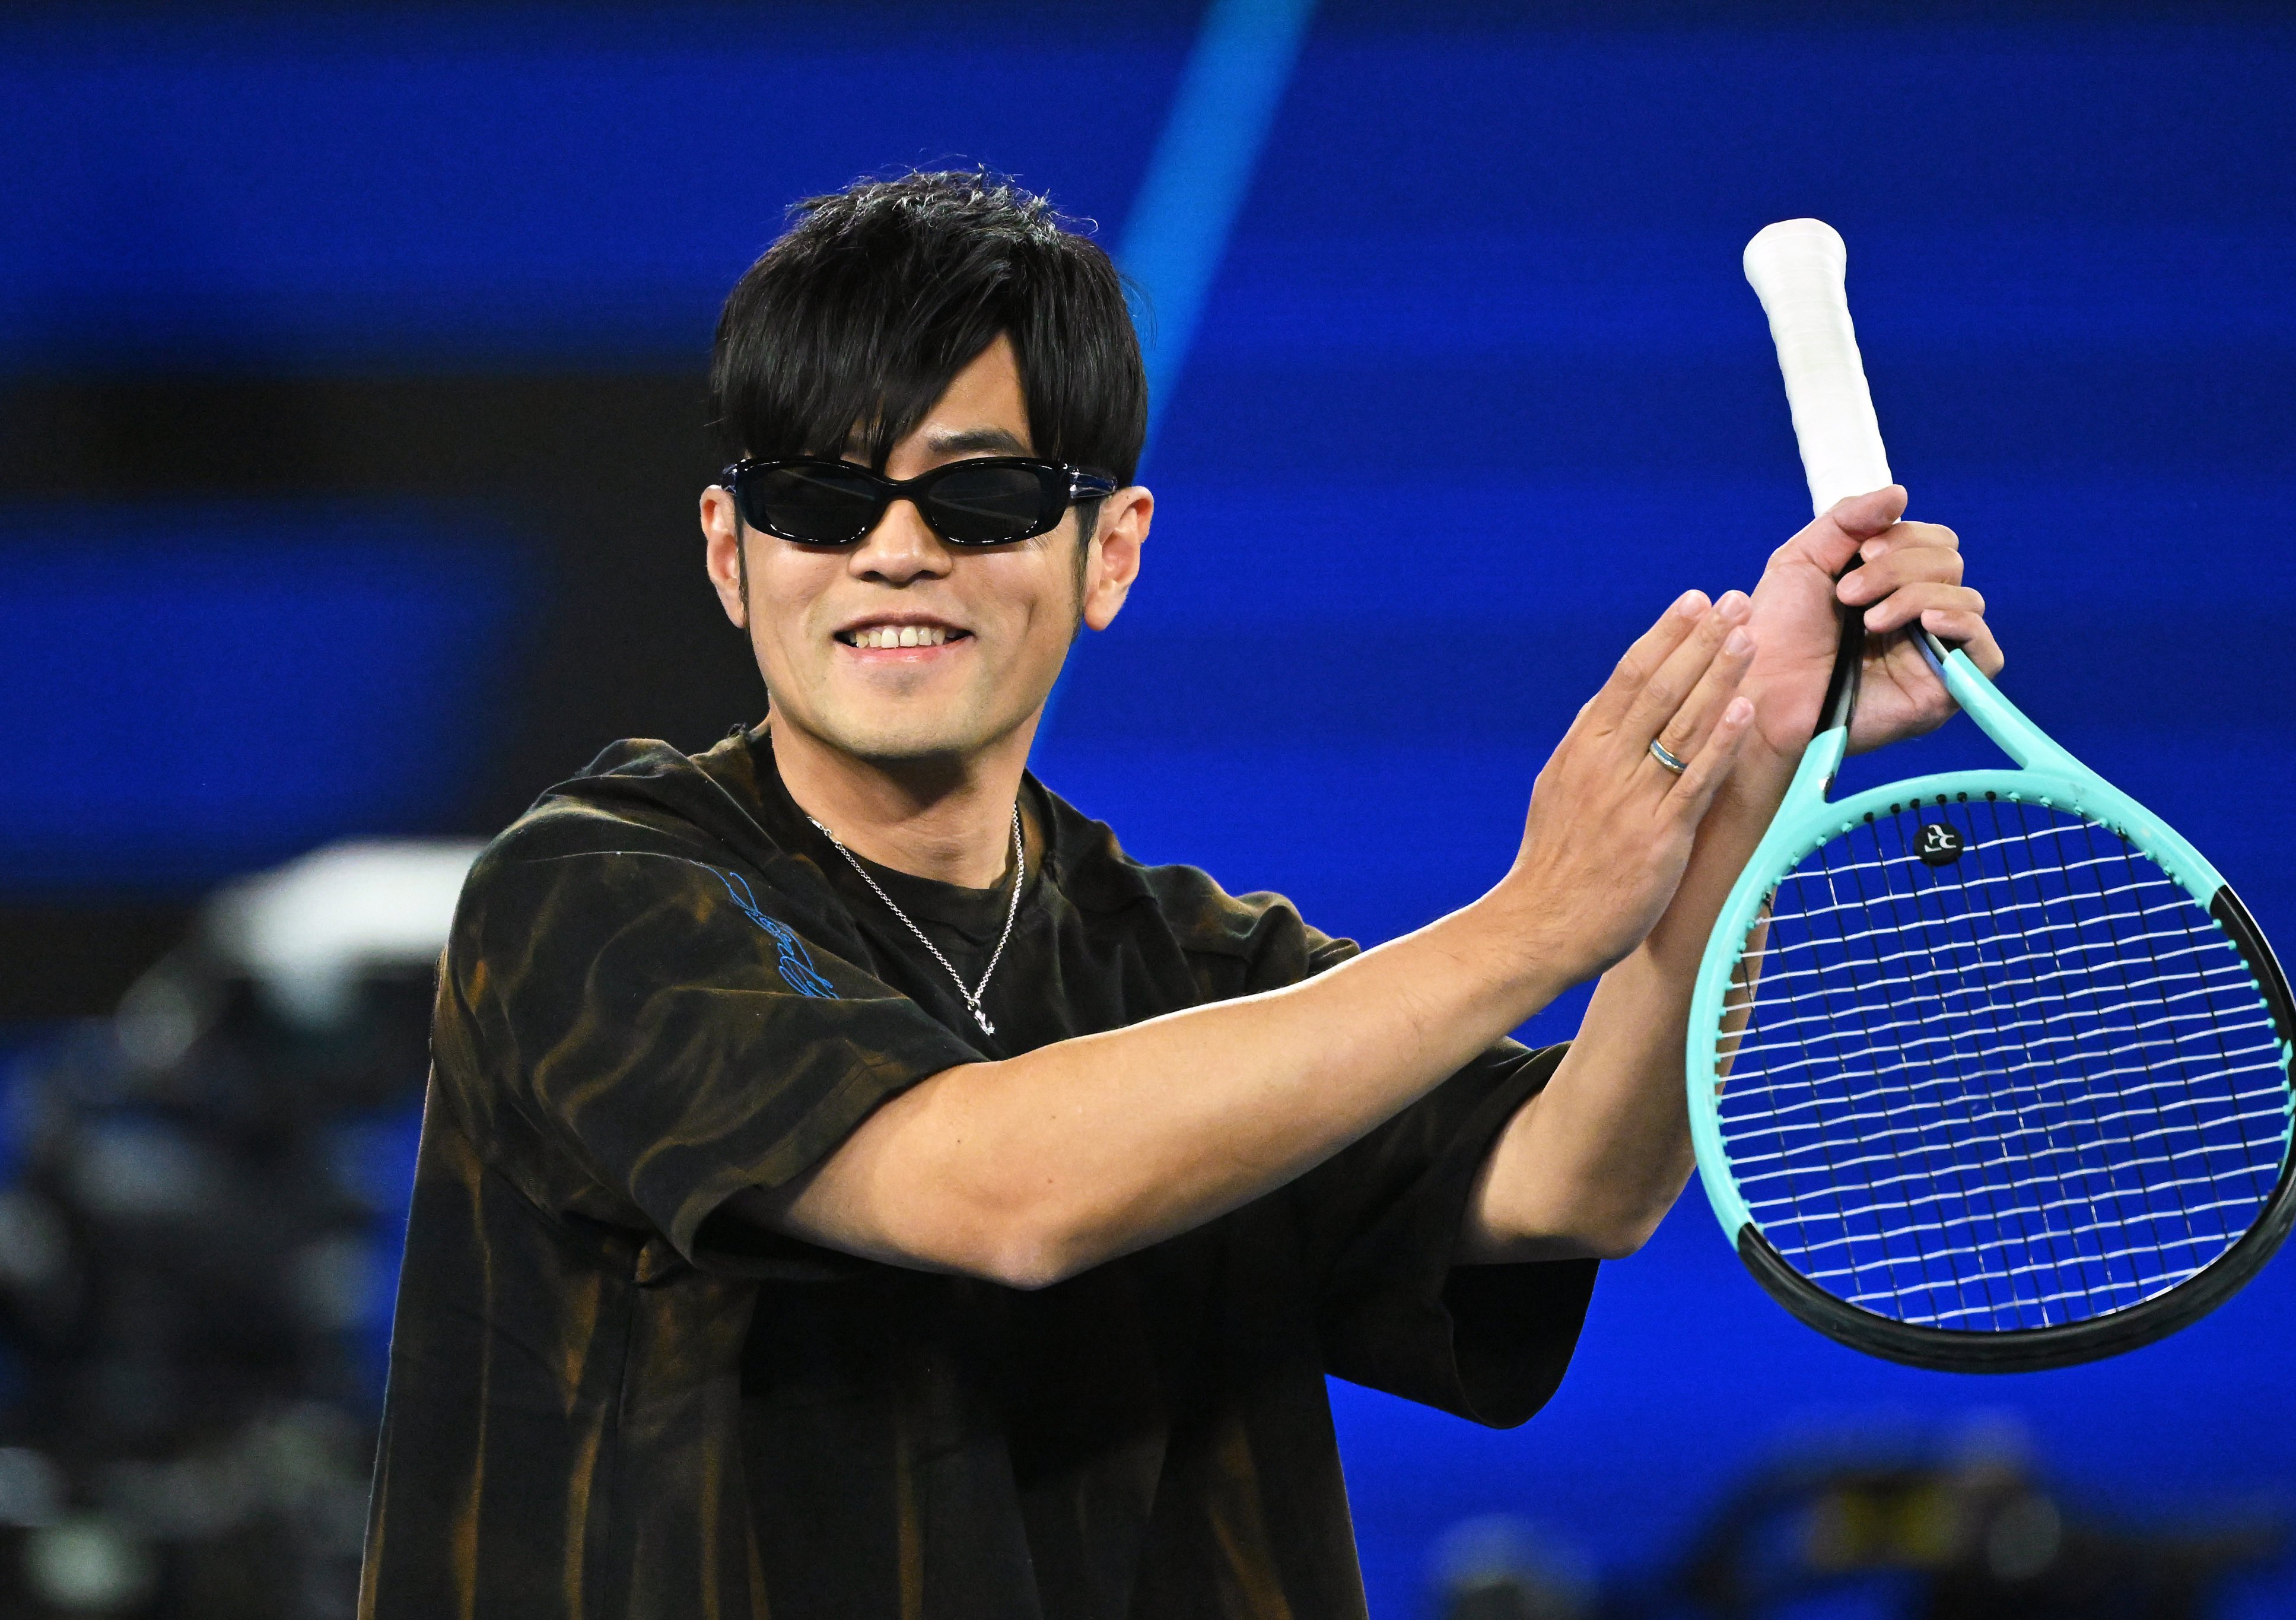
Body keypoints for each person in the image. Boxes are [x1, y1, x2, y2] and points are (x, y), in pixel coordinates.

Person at [360, 171, 2000, 1618]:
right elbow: (992, 1192)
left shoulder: (1188, 962)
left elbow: (1579, 1180)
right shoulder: (589, 898)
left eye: (981, 496)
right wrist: (1533, 922)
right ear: (732, 551)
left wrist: (1759, 785)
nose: (894, 550)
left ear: (1111, 550)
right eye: (822, 498)